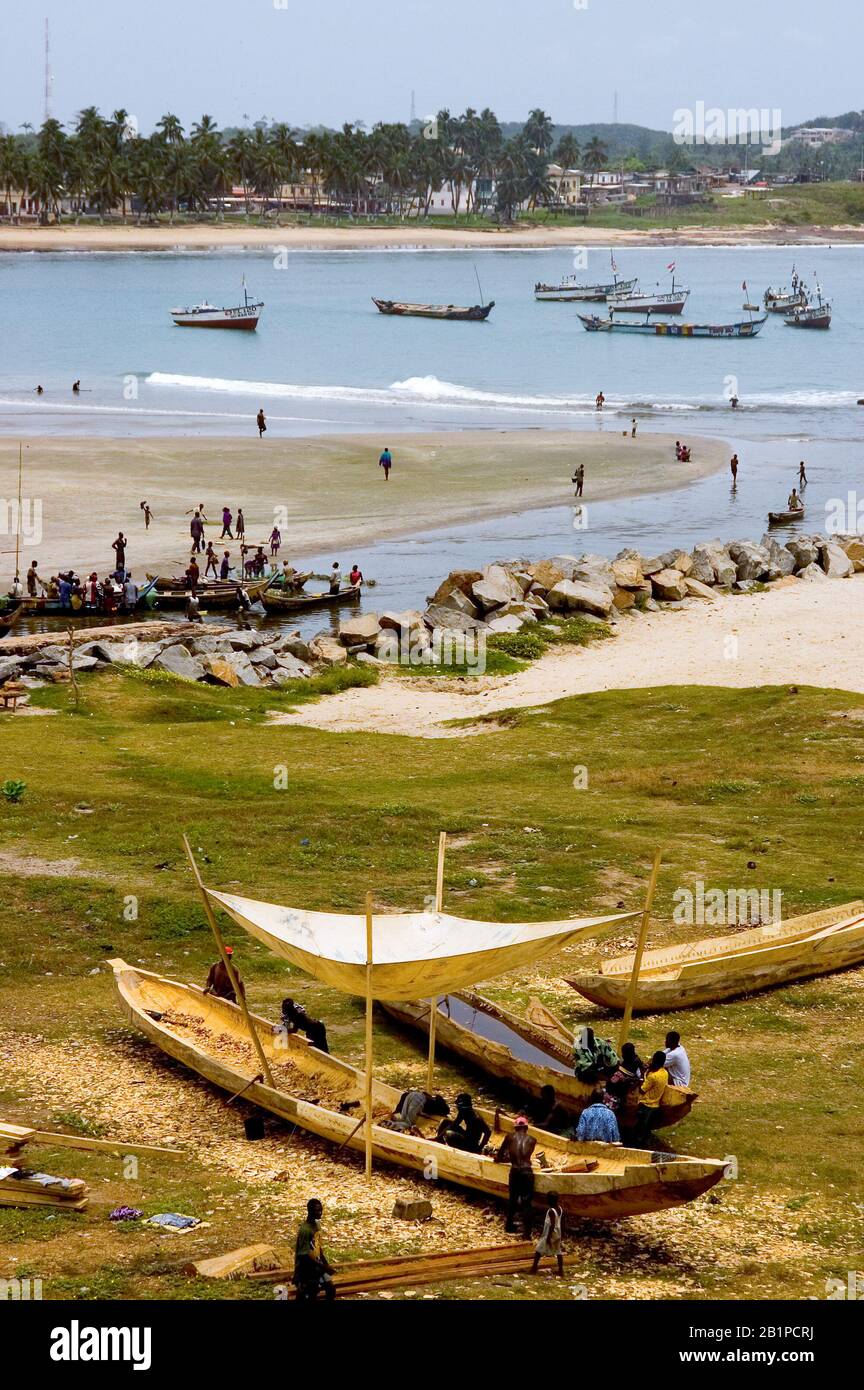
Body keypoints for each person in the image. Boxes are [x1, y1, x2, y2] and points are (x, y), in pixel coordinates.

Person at [494, 1115, 536, 1235]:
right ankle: (527, 1234)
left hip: (515, 1171)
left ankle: (509, 1226)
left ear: (515, 1128)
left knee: (513, 1199)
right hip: (527, 1171)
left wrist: (498, 1159)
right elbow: (525, 1156)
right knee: (527, 1203)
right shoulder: (533, 1140)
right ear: (526, 1128)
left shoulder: (509, 1137)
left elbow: (500, 1155)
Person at [293, 1199, 335, 1301]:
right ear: (310, 1211)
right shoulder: (305, 1230)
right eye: (317, 1211)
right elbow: (304, 1255)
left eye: (321, 1210)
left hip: (317, 1265)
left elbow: (318, 1247)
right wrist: (324, 1267)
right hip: (307, 1268)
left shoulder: (317, 1225)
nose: (320, 1213)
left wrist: (325, 1263)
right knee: (311, 1293)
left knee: (331, 1289)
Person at [633, 1050, 669, 1145]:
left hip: (646, 1105)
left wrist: (642, 1076)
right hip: (655, 1105)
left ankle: (637, 1145)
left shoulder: (652, 1076)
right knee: (647, 1128)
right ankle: (646, 1142)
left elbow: (642, 1090)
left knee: (640, 1128)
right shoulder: (665, 1073)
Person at [531, 1192, 564, 1277]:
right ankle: (561, 1270)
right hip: (558, 1232)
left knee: (538, 1250)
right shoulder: (559, 1209)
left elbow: (552, 1225)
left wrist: (548, 1237)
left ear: (550, 1200)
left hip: (550, 1233)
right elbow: (560, 1222)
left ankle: (534, 1268)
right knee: (558, 1251)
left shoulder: (551, 1211)